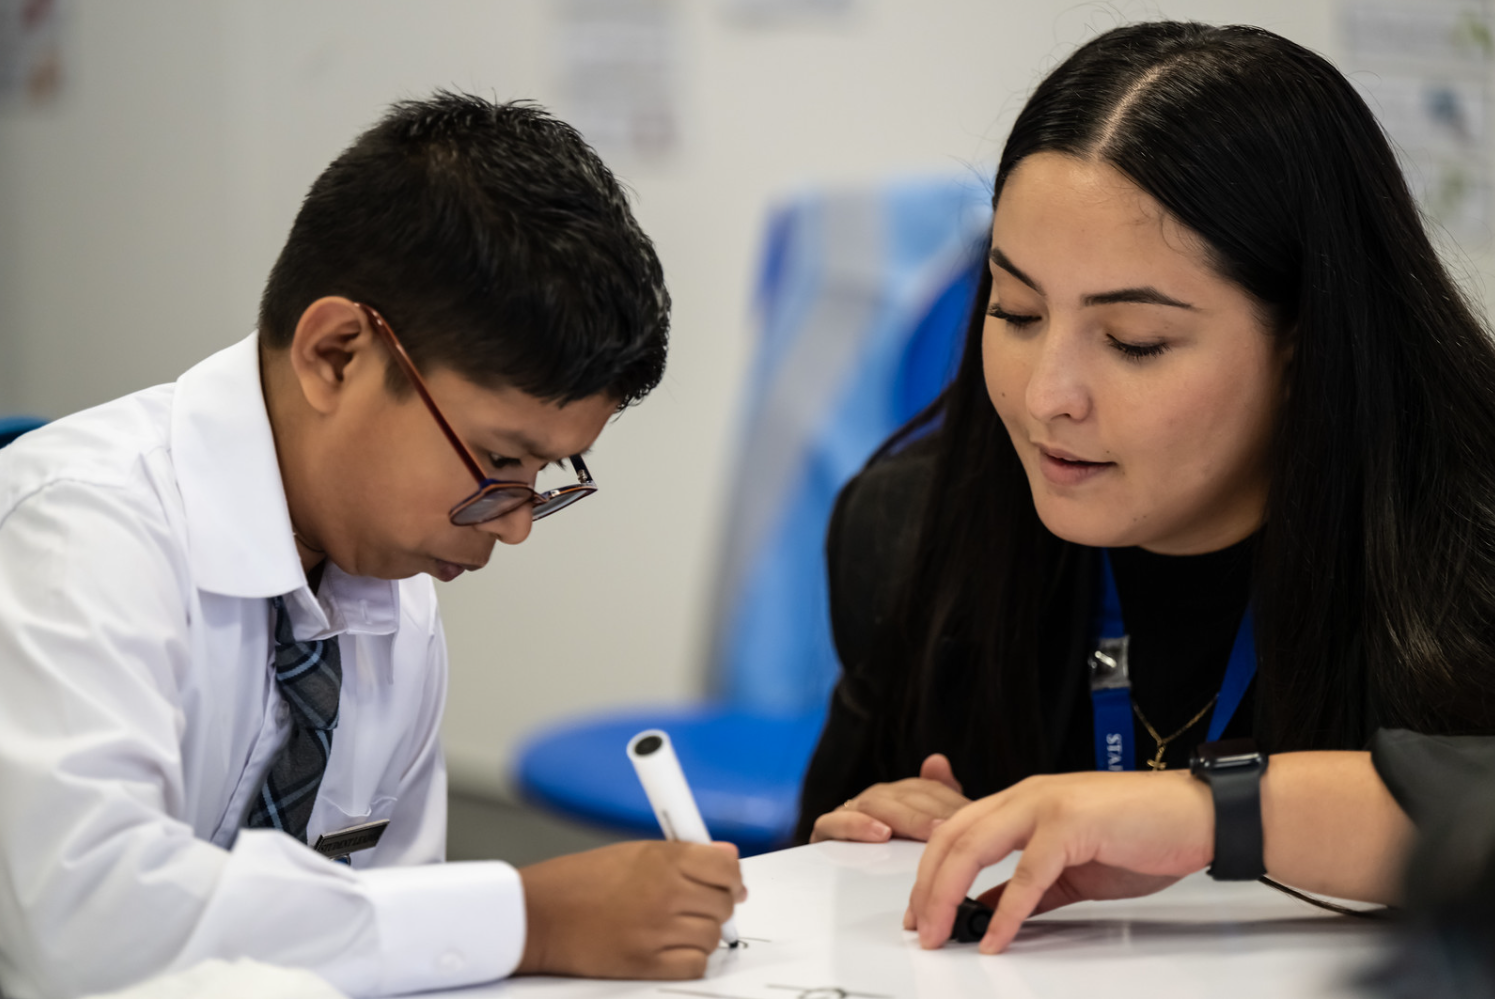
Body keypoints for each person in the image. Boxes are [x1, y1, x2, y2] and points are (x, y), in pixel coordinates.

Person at [0, 93, 742, 999]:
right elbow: (84, 924)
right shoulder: (80, 531)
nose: (512, 521)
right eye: (500, 458)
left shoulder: (393, 597)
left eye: (546, 474)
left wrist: (470, 930)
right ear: (337, 354)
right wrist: (530, 916)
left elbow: (401, 942)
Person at [795, 21, 1495, 953]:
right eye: (1015, 311)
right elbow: (811, 895)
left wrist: (1206, 814)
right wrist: (876, 851)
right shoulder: (914, 527)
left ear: (1304, 346)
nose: (1047, 398)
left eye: (1133, 341)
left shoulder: (1466, 536)